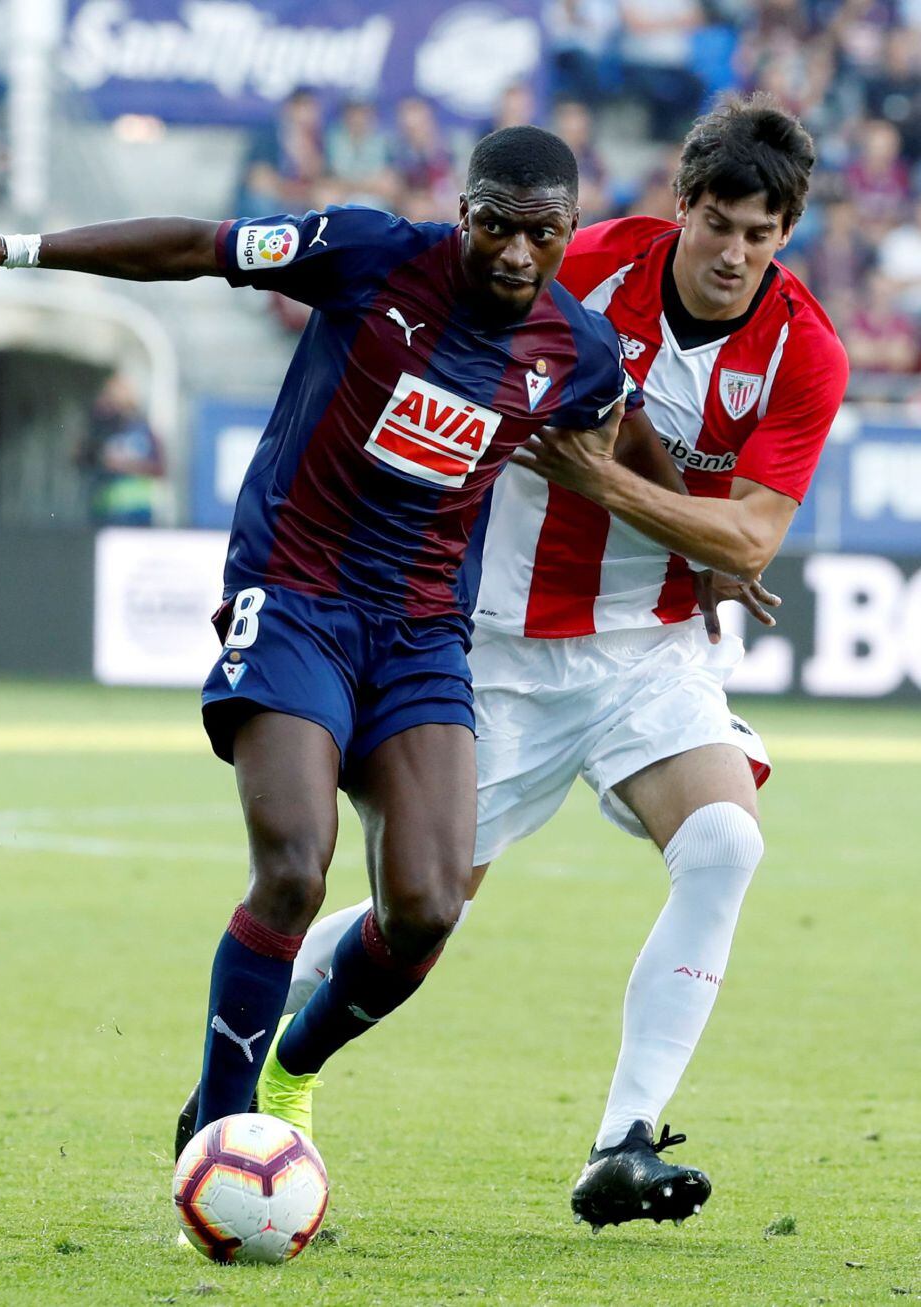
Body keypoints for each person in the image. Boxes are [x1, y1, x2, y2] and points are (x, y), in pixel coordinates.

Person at [0, 126, 646, 1163]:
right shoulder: (372, 253)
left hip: (423, 636)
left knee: (427, 906)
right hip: (296, 597)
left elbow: (619, 435)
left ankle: (289, 1064)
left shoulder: (579, 352)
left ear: (568, 232)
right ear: (464, 211)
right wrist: (16, 248)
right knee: (293, 866)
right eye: (497, 226)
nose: (516, 253)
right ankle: (224, 1131)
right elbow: (198, 242)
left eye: (541, 234)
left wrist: (710, 548)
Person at [271, 95, 849, 1230]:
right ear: (680, 206)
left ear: (787, 236)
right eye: (719, 222)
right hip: (492, 646)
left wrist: (617, 490)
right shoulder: (580, 264)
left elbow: (749, 536)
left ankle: (623, 1140)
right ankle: (271, 1046)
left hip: (649, 651)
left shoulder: (807, 350)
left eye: (761, 233)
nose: (735, 253)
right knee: (415, 921)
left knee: (727, 839)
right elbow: (434, 327)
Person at [75, 373, 165, 526]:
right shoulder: (100, 430)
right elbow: (79, 458)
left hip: (137, 512)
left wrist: (122, 465)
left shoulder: (144, 431)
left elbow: (159, 468)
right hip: (104, 510)